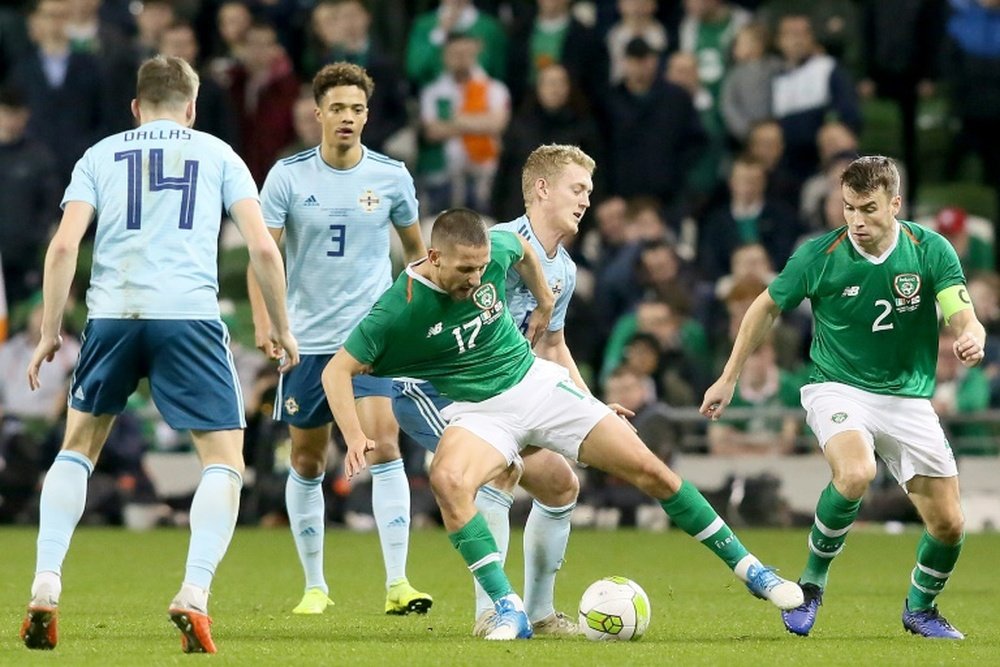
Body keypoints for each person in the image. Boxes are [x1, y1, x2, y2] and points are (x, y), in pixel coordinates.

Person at [324, 207, 803, 641]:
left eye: (480, 266)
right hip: (478, 412)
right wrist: (353, 435)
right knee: (448, 481)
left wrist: (544, 302)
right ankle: (507, 609)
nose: (476, 277)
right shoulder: (397, 309)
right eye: (465, 269)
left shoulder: (495, 249)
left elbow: (523, 250)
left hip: (536, 385)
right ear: (433, 256)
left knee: (649, 470)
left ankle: (754, 571)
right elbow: (336, 370)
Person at [18, 55, 299, 654]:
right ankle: (194, 593)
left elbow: (64, 244)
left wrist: (48, 331)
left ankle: (45, 583)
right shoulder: (221, 154)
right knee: (225, 460)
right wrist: (279, 326)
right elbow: (263, 250)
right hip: (189, 317)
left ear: (136, 108)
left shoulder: (99, 155)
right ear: (193, 108)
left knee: (78, 447)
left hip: (113, 313)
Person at [702, 156, 984, 640]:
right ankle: (811, 585)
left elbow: (960, 309)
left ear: (895, 203)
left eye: (868, 208)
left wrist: (971, 332)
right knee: (856, 473)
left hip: (908, 398)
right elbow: (765, 306)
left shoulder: (929, 249)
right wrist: (729, 376)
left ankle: (921, 609)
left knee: (951, 525)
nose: (856, 220)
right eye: (848, 207)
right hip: (838, 385)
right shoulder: (820, 255)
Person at [249, 61, 431, 617]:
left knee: (384, 444)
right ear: (317, 114)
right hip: (306, 338)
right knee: (306, 459)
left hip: (372, 336)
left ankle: (398, 583)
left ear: (367, 115)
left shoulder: (393, 176)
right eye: (337, 109)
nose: (347, 118)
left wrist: (417, 316)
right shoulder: (286, 177)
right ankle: (314, 586)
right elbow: (264, 255)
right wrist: (266, 323)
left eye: (356, 109)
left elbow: (417, 256)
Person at [392, 144, 594, 637]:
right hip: (439, 387)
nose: (587, 199)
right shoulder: (496, 245)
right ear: (541, 190)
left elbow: (553, 345)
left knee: (561, 484)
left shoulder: (564, 270)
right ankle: (492, 612)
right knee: (501, 471)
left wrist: (590, 409)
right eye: (577, 188)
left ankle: (541, 614)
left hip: (500, 392)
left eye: (589, 190)